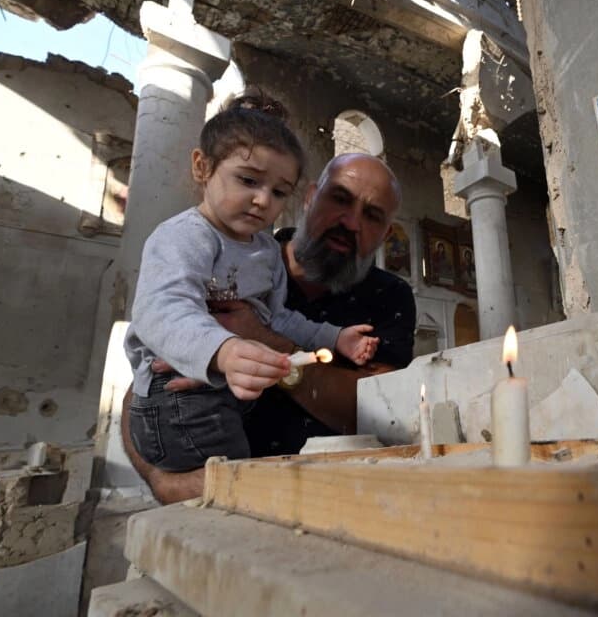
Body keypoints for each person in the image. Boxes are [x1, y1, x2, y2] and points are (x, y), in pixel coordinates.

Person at [122, 151, 416, 503]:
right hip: (206, 491)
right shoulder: (236, 258)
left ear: (384, 236)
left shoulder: (390, 297)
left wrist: (260, 339)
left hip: (334, 499)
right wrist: (160, 479)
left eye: (371, 216)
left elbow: (385, 412)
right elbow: (148, 374)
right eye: (340, 199)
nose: (351, 223)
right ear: (309, 197)